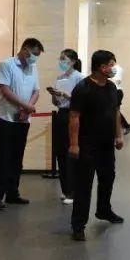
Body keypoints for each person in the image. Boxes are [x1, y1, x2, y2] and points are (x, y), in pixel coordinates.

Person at [68, 50, 125, 241]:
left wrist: (118, 135)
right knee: (84, 184)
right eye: (112, 64)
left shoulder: (111, 88)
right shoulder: (83, 88)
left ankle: (104, 210)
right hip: (87, 144)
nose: (114, 68)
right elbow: (74, 117)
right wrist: (74, 144)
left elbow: (116, 112)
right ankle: (78, 224)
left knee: (108, 177)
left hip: (106, 144)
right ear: (102, 67)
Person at [0, 37, 43, 211]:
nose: (35, 58)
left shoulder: (33, 67)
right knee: (3, 158)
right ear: (25, 49)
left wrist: (28, 108)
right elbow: (5, 90)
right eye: (34, 54)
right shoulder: (6, 65)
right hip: (5, 119)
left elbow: (36, 91)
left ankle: (13, 193)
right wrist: (25, 106)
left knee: (17, 158)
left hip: (23, 119)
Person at [47, 49, 82, 204]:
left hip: (73, 114)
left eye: (63, 59)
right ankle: (65, 189)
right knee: (60, 152)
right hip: (61, 114)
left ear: (72, 61)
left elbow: (81, 101)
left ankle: (73, 191)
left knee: (71, 153)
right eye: (60, 58)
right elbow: (56, 103)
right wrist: (55, 95)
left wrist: (65, 95)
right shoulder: (59, 78)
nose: (61, 61)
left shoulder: (79, 78)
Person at [109, 62, 130, 135]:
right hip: (116, 91)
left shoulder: (116, 69)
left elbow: (117, 81)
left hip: (116, 91)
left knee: (115, 110)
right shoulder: (117, 68)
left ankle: (125, 126)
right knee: (114, 110)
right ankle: (123, 127)